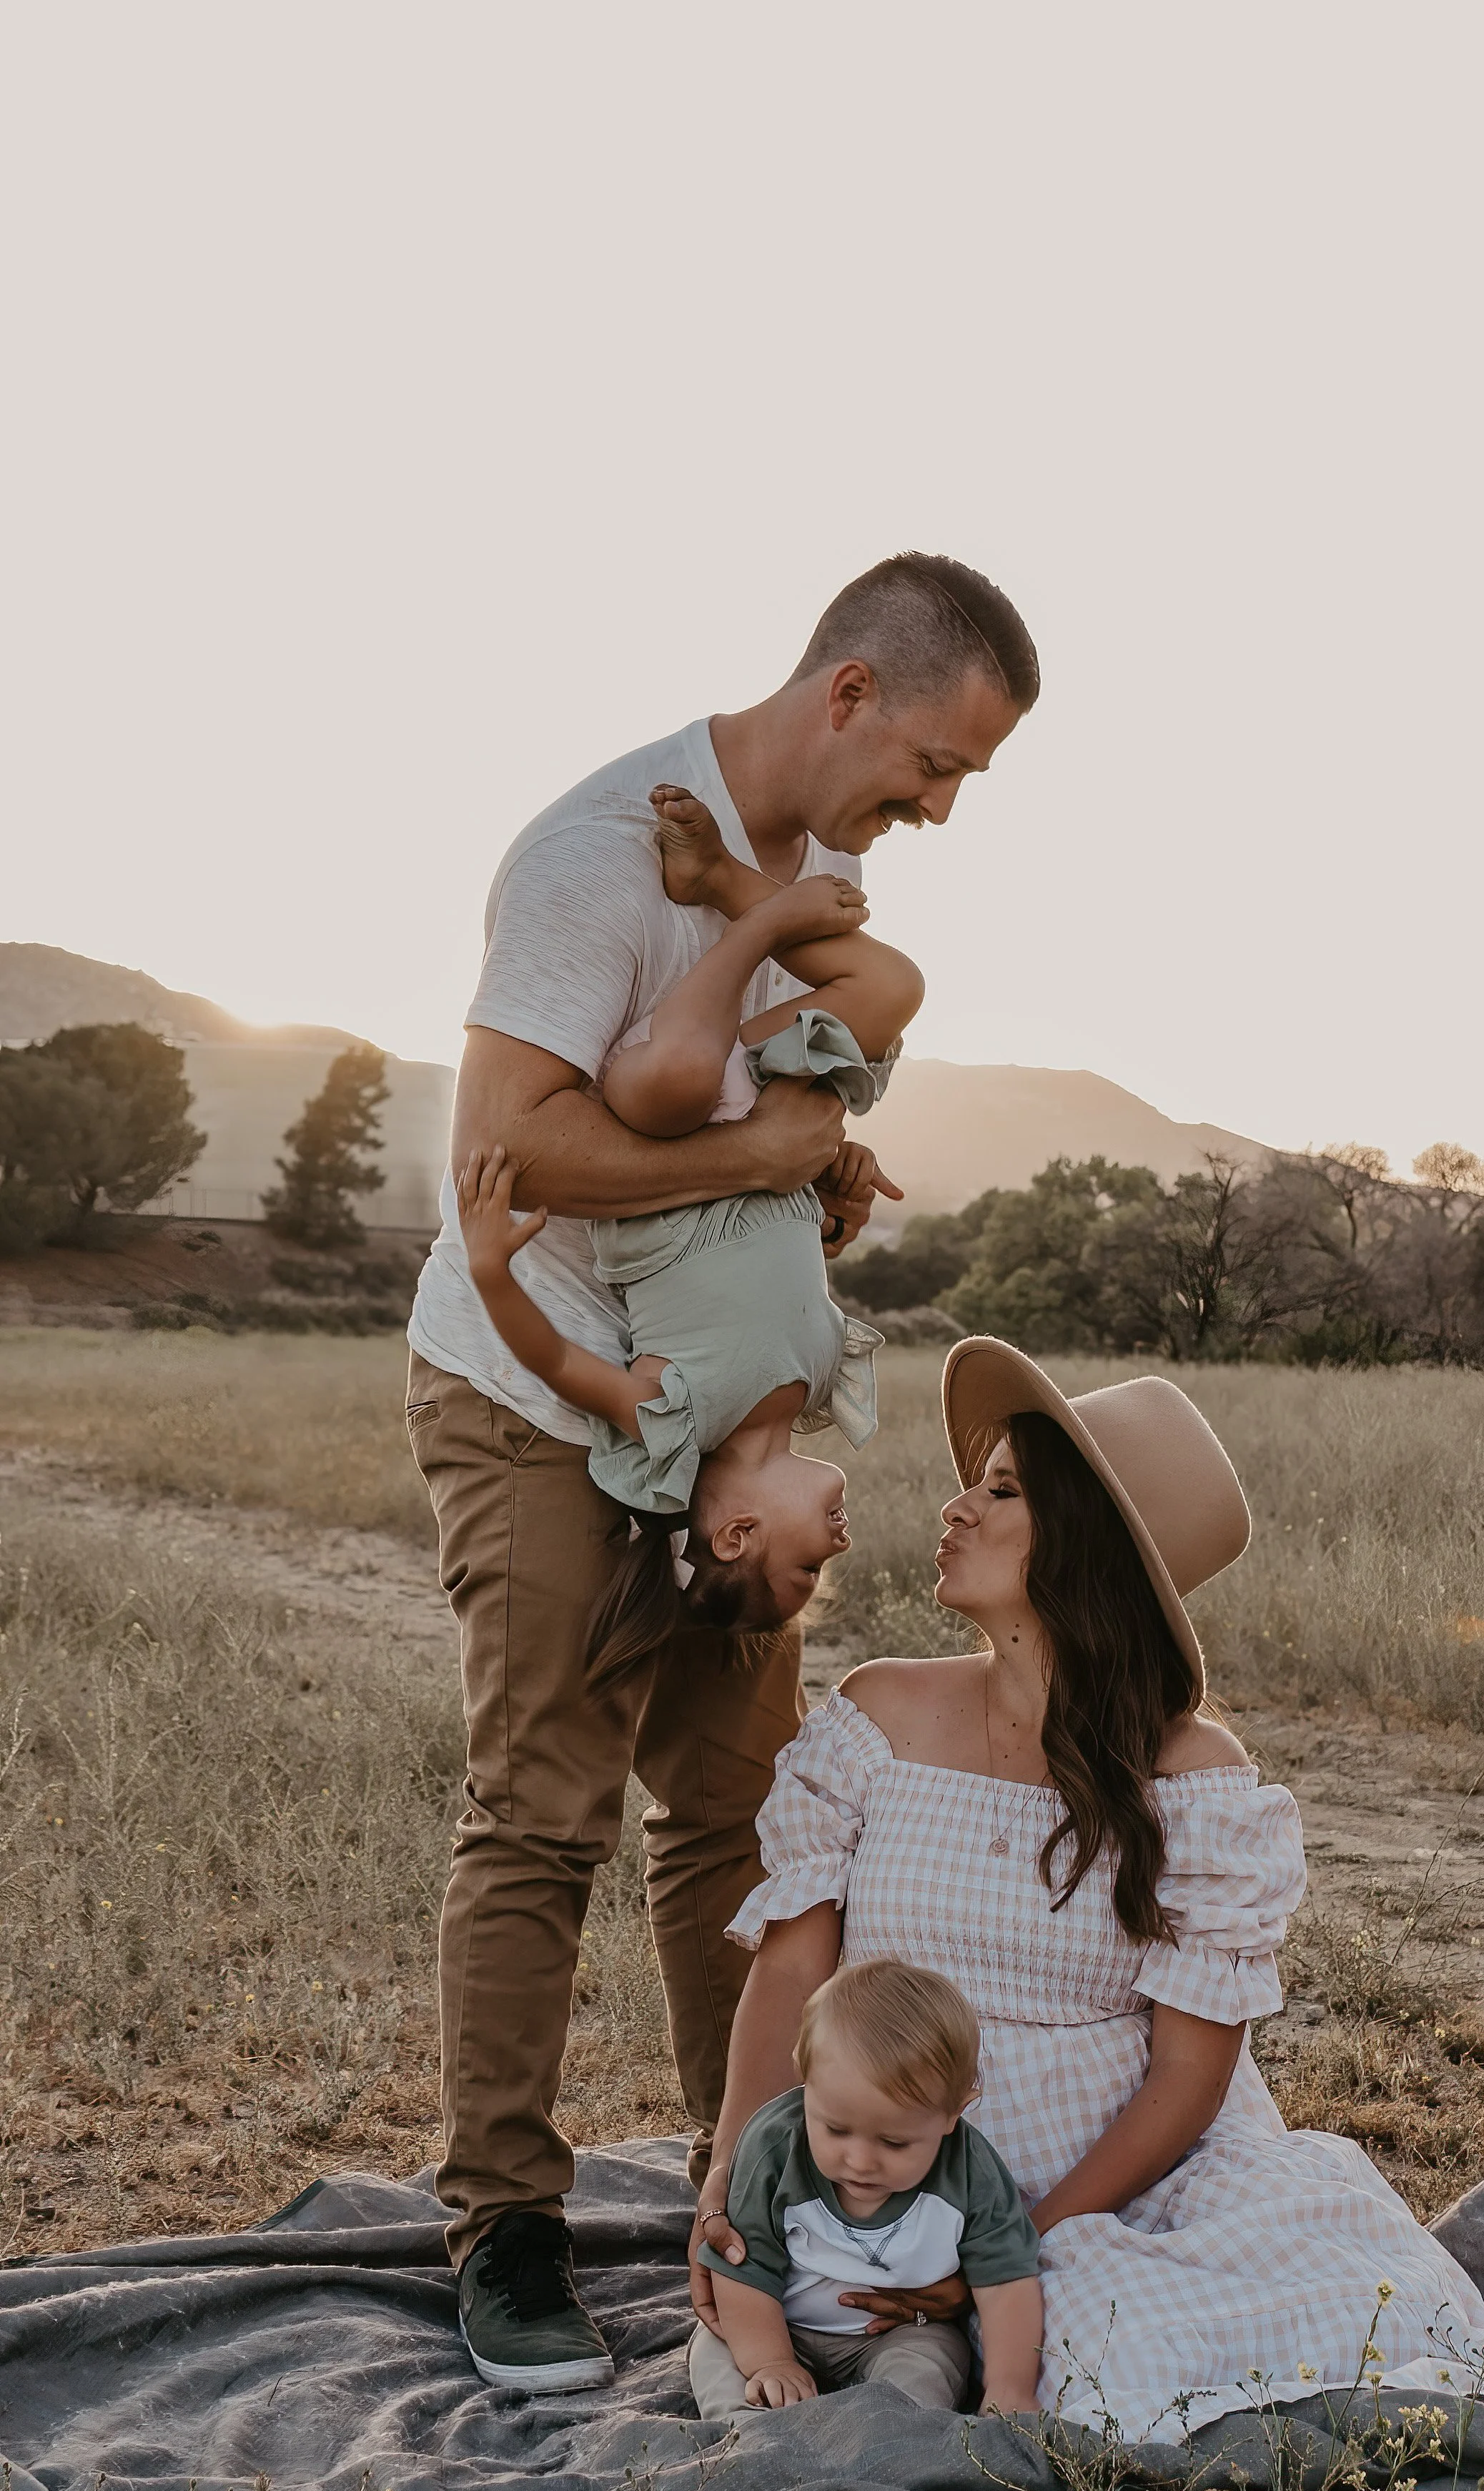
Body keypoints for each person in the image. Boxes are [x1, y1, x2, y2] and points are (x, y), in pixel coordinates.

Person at [405, 555, 1039, 2391]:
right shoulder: (593, 852)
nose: (935, 806)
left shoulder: (816, 888)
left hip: (723, 1430)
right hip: (537, 1381)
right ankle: (505, 2230)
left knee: (738, 1818)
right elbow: (505, 1158)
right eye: (935, 763)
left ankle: (744, 2190)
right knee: (541, 1805)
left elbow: (805, 1108)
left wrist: (805, 1169)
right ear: (848, 691)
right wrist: (760, 1139)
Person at [689, 1338, 1484, 2437]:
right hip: (884, 2135)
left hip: (1116, 2177)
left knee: (1159, 2363)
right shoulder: (877, 1716)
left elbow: (1191, 2076)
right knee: (778, 2330)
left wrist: (1013, 2242)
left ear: (1084, 1554)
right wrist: (732, 2176)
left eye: (1002, 1490)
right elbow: (793, 1965)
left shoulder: (1192, 1780)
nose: (955, 1507)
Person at [450, 783, 928, 1622]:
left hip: (664, 1124)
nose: (840, 1550)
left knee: (672, 1076)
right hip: (756, 1106)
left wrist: (493, 1269)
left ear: (737, 1536)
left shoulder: (675, 1421)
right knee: (892, 983)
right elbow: (769, 1262)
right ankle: (719, 878)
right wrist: (835, 1181)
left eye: (807, 1573)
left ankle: (757, 929)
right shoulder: (817, 1386)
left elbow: (559, 1363)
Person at [691, 1959, 1043, 2416]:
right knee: (718, 2351)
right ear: (805, 2079)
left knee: (930, 2365)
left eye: (894, 2142)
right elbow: (742, 2266)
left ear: (955, 2113)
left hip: (900, 2330)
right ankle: (747, 2439)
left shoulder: (971, 2173)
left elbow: (1008, 2282)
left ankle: (888, 2440)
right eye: (835, 2130)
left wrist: (1010, 2387)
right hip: (774, 2323)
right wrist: (771, 2361)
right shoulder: (775, 2148)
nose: (859, 2162)